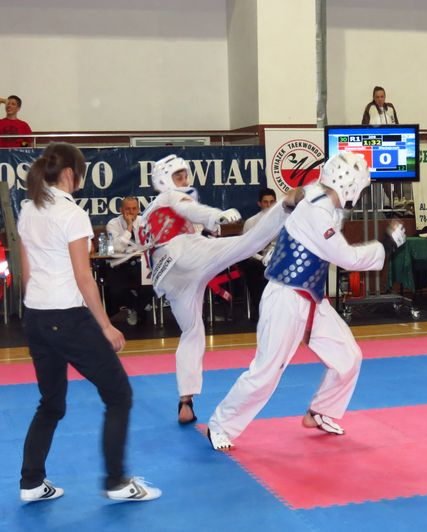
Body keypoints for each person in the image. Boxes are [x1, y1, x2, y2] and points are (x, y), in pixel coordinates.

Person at [206, 152, 407, 451]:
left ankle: (321, 411)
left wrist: (291, 211)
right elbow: (346, 257)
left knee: (348, 357)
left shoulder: (322, 201)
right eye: (361, 189)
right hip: (285, 299)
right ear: (351, 187)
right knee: (266, 372)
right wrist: (385, 246)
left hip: (312, 299)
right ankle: (220, 425)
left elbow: (297, 195)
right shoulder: (317, 212)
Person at [17, 143, 160, 502]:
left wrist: (37, 311)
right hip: (67, 317)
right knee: (119, 395)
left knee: (51, 403)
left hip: (36, 316)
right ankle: (117, 483)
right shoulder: (71, 214)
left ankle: (31, 483)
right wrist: (106, 326)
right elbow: (84, 277)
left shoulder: (28, 208)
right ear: (70, 173)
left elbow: (26, 274)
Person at [140, 155, 302, 424]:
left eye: (185, 175)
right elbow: (191, 209)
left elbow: (180, 222)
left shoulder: (147, 213)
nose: (185, 180)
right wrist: (216, 216)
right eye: (178, 176)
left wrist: (208, 229)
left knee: (192, 332)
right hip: (182, 253)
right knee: (246, 244)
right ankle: (285, 207)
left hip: (167, 277)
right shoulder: (170, 197)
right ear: (165, 180)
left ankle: (185, 401)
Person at [104, 196, 153, 325]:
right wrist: (129, 227)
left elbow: (151, 243)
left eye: (134, 208)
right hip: (121, 264)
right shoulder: (113, 224)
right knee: (115, 290)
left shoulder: (145, 222)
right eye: (127, 209)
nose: (131, 212)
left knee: (151, 284)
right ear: (121, 210)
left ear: (139, 209)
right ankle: (138, 307)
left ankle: (136, 307)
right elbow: (117, 248)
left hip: (142, 264)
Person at [239, 187, 278, 317]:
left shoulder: (284, 220)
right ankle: (261, 310)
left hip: (277, 258)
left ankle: (280, 311)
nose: (268, 205)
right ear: (259, 204)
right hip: (257, 258)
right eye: (265, 202)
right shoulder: (251, 222)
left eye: (271, 202)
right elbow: (246, 248)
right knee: (250, 266)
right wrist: (261, 259)